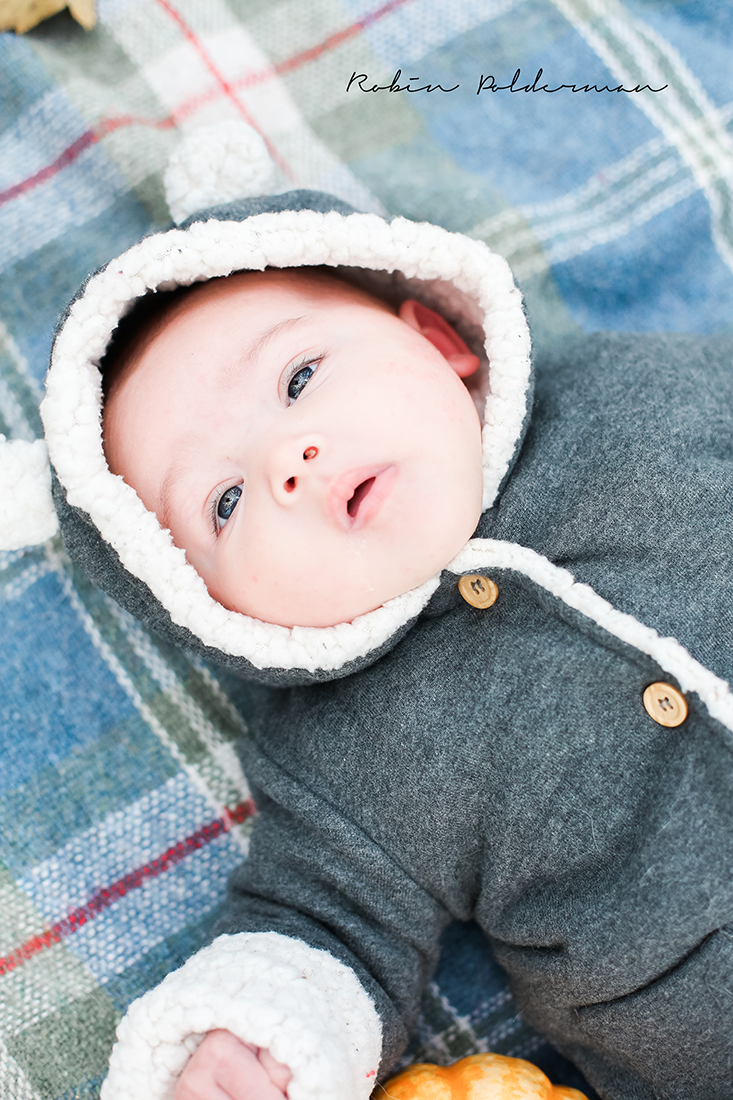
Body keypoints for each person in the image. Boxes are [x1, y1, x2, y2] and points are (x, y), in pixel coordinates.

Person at [40, 178, 733, 1100]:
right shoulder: (341, 759)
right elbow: (321, 929)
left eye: (297, 379)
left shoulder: (635, 396)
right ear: (218, 608)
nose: (289, 459)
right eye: (225, 501)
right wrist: (256, 1046)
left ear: (440, 341)